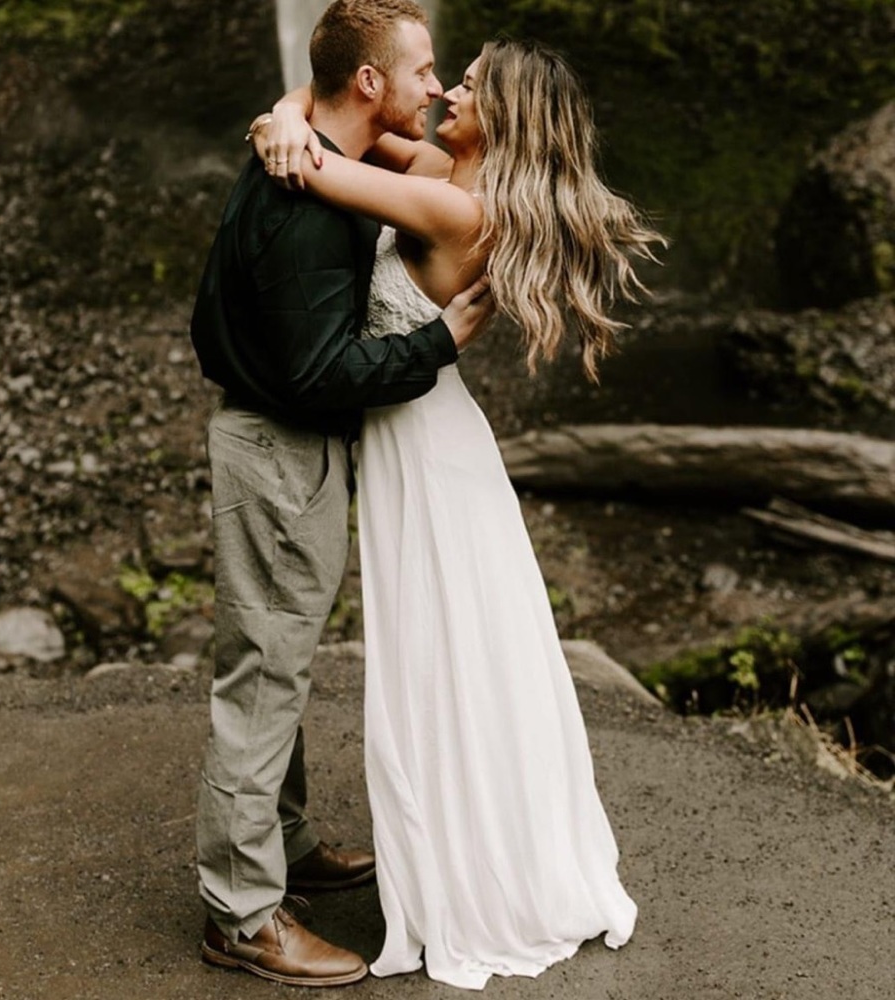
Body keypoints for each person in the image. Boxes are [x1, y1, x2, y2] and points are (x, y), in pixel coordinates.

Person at [253, 30, 666, 991]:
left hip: (428, 457)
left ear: (506, 112)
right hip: (423, 442)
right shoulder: (440, 166)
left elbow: (315, 160)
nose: (447, 90)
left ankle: (476, 881)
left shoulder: (448, 202)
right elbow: (317, 113)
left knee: (444, 665)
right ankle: (481, 852)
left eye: (470, 84)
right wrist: (283, 111)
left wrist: (283, 128)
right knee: (467, 658)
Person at [187, 0, 493, 989]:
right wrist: (439, 344)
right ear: (370, 84)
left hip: (274, 438)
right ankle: (242, 913)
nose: (433, 88)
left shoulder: (306, 154)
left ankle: (284, 839)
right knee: (264, 676)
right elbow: (321, 373)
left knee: (278, 657)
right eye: (420, 71)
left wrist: (283, 111)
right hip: (280, 446)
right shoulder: (311, 201)